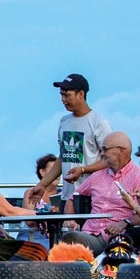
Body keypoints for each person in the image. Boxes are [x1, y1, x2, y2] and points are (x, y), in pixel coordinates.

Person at [60, 132, 140, 255]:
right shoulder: (97, 176)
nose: (102, 153)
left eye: (105, 149)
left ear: (121, 150)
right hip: (90, 234)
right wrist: (70, 219)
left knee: (70, 240)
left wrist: (125, 222)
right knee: (69, 238)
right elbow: (73, 198)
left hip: (119, 238)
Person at [29, 73, 112, 204]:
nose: (63, 99)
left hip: (92, 197)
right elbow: (63, 157)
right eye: (61, 95)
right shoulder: (64, 121)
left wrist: (83, 170)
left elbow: (110, 160)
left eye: (67, 95)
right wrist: (42, 185)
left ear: (81, 94)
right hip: (67, 197)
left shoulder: (99, 123)